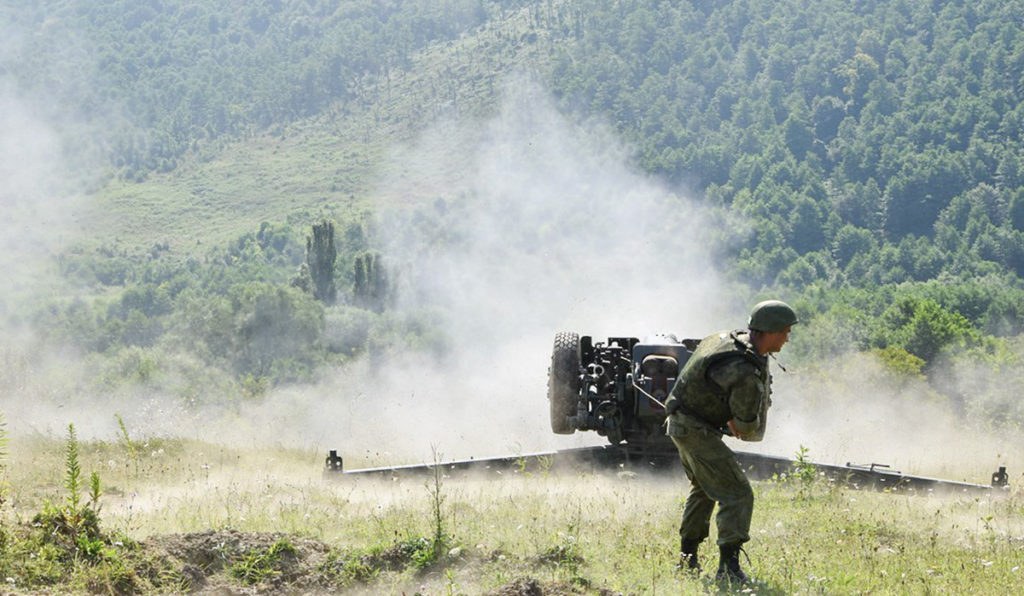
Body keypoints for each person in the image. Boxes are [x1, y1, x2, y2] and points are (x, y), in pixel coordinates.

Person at [663, 299, 798, 583]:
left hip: (680, 424)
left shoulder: (725, 339)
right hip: (695, 430)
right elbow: (744, 428)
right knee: (737, 493)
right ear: (769, 331)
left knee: (704, 489)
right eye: (785, 331)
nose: (787, 338)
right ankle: (729, 569)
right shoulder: (743, 370)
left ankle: (687, 561)